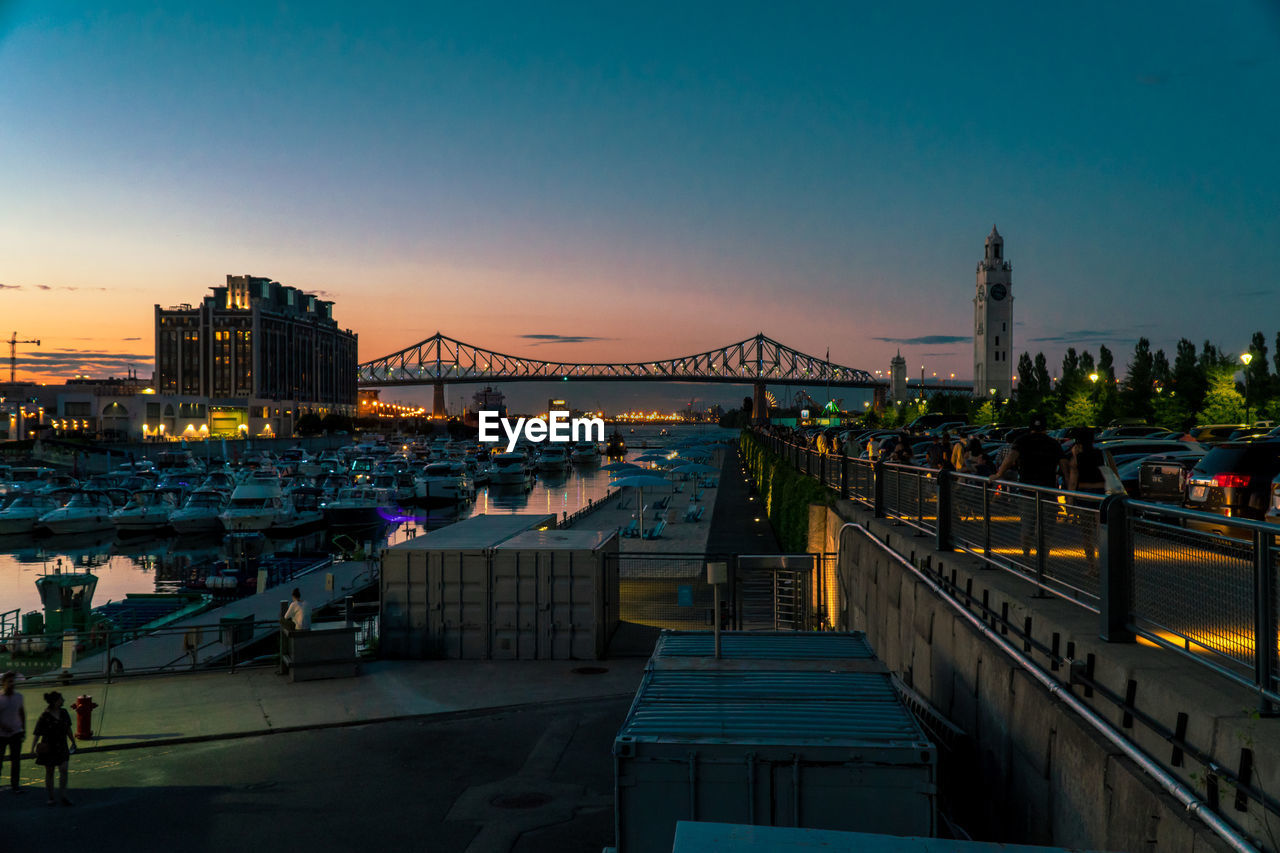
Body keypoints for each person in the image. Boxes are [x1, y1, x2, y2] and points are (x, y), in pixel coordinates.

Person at [991, 413, 1068, 560]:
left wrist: (999, 473)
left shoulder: (1022, 441)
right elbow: (1064, 465)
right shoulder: (1053, 443)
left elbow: (1010, 458)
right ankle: (1042, 563)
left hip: (1028, 491)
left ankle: (1026, 560)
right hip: (1048, 491)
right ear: (1045, 428)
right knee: (1046, 531)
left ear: (1030, 427)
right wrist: (1069, 489)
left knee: (1027, 529)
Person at [32, 690, 75, 806]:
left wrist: (73, 741)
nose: (63, 700)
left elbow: (68, 729)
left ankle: (63, 795)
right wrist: (33, 747)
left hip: (61, 745)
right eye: (61, 699)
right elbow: (38, 733)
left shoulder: (64, 713)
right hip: (49, 746)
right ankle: (51, 797)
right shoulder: (45, 716)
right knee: (50, 772)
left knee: (64, 769)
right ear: (56, 702)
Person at [0, 671, 25, 793]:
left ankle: (15, 785)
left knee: (15, 761)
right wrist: (4, 727)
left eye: (13, 681)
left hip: (16, 733)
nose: (12, 683)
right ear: (3, 683)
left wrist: (23, 729)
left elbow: (22, 713)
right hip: (1, 735)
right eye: (9, 681)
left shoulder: (19, 697)